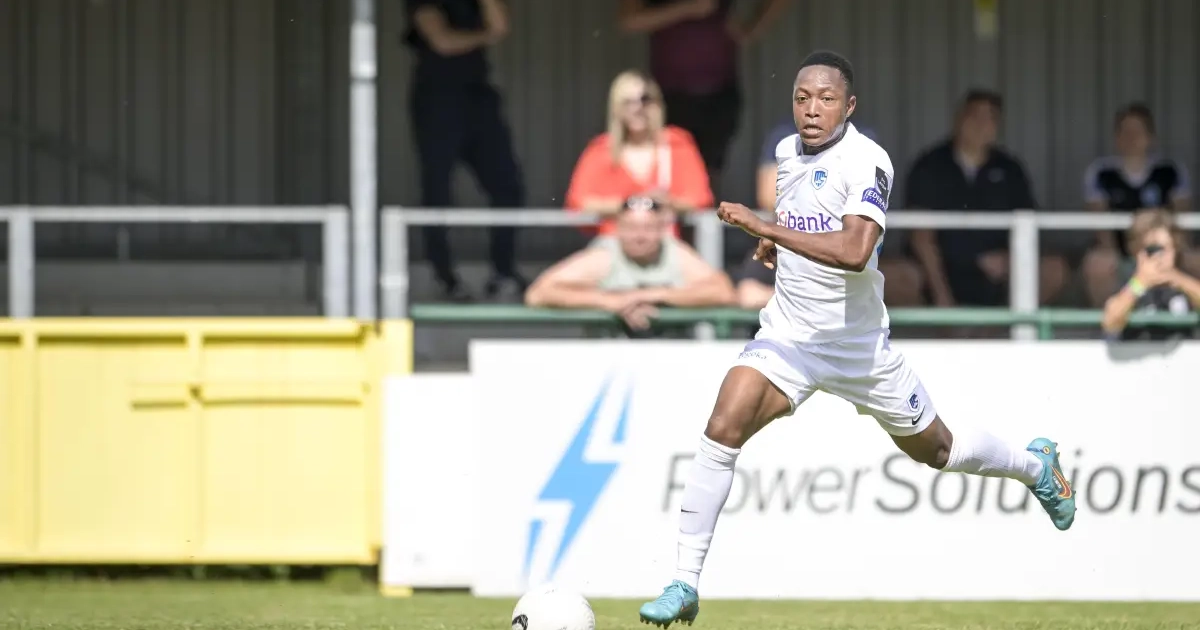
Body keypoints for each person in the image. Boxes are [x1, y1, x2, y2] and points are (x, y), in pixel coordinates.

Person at [637, 51, 1076, 629]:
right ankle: (684, 583)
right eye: (802, 98)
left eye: (825, 99)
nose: (811, 110)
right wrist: (774, 242)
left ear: (848, 106)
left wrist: (764, 226)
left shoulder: (868, 161)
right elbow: (802, 215)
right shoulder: (787, 153)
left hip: (858, 346)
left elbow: (854, 251)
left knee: (937, 450)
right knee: (723, 424)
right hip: (790, 336)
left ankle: (1034, 468)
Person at [405, 0, 526, 301]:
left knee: (507, 184)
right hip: (437, 98)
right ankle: (443, 276)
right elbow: (443, 42)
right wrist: (484, 36)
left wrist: (486, 33)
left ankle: (503, 272)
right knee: (439, 189)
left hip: (478, 95)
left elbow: (501, 27)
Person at [905, 90, 1068, 308]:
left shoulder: (1010, 169)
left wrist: (1010, 257)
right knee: (897, 276)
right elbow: (921, 237)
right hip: (940, 270)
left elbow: (1028, 224)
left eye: (990, 118)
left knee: (1054, 268)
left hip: (996, 271)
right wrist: (942, 296)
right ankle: (936, 326)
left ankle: (1007, 325)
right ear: (958, 120)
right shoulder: (929, 165)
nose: (981, 124)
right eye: (974, 116)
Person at [617, 0, 793, 191]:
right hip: (667, 95)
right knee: (667, 172)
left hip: (717, 92)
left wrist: (752, 28)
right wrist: (687, 8)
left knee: (706, 180)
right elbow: (629, 21)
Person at [525, 196, 735, 336]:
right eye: (631, 227)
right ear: (617, 229)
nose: (639, 236)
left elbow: (724, 292)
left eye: (648, 228)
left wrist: (652, 295)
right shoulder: (604, 256)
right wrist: (610, 301)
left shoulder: (676, 254)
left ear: (662, 230)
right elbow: (538, 293)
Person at [564, 71, 713, 238]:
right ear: (616, 107)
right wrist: (631, 204)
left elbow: (700, 199)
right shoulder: (601, 149)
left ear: (657, 104)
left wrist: (669, 202)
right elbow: (578, 204)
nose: (637, 108)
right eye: (628, 102)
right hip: (614, 242)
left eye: (645, 100)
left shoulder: (676, 144)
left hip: (662, 241)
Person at [1082, 103, 1195, 307]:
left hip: (1167, 250)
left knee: (1196, 258)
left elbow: (1182, 218)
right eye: (1125, 132)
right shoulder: (1101, 172)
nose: (1131, 138)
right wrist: (1118, 254)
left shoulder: (1170, 170)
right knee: (1099, 263)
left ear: (1151, 137)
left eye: (1138, 132)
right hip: (1120, 252)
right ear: (1116, 137)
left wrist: (1174, 252)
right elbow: (1100, 224)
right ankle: (1110, 320)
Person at [1101, 209, 1200, 341]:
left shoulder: (1185, 277)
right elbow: (1110, 322)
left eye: (1164, 249)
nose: (1158, 257)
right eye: (1151, 249)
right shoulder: (1130, 280)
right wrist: (1141, 282)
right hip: (1139, 349)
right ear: (1137, 251)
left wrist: (1177, 279)